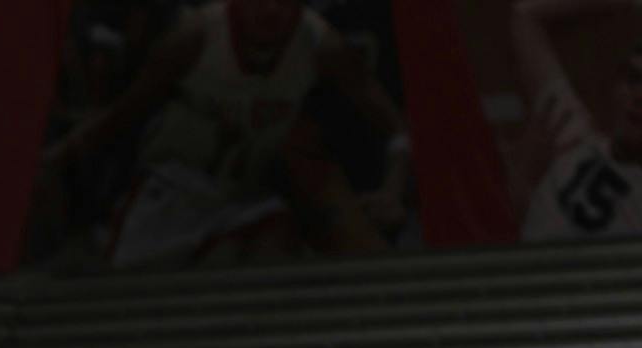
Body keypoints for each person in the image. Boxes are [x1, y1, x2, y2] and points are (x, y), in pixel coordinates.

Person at [47, 0, 411, 267]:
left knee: (276, 243)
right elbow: (123, 115)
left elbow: (396, 127)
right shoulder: (196, 36)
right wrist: (57, 158)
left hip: (243, 200)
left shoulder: (320, 44)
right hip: (171, 194)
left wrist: (392, 190)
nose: (271, 12)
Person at [513, 1, 642, 243]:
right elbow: (524, 17)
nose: (640, 96)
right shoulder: (572, 133)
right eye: (633, 79)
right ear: (615, 88)